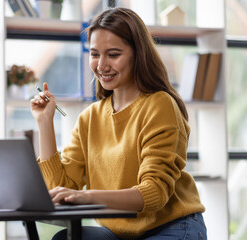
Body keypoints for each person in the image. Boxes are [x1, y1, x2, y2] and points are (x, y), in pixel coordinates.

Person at [30, 7, 207, 240]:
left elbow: (154, 193)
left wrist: (89, 196)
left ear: (138, 54)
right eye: (95, 54)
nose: (101, 66)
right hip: (118, 233)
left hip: (171, 227)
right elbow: (60, 187)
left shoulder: (159, 105)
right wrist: (45, 123)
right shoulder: (90, 117)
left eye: (113, 55)